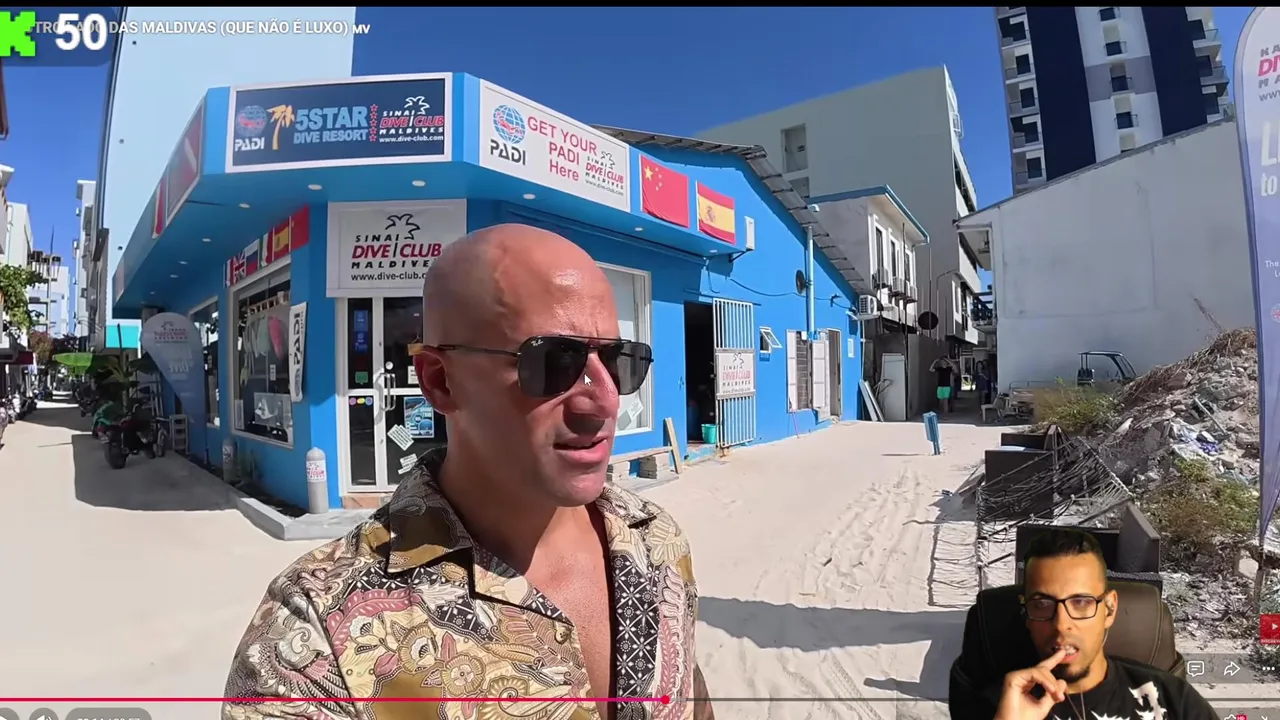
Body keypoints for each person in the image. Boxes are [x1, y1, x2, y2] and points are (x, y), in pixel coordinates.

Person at [222, 224, 714, 720]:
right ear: (441, 382)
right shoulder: (311, 641)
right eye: (554, 362)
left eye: (616, 359)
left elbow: (686, 695)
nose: (606, 399)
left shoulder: (657, 542)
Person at [989, 528, 1216, 720]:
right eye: (1042, 604)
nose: (1061, 624)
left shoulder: (1173, 699)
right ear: (1027, 615)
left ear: (1109, 609)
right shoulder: (999, 705)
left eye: (1080, 602)